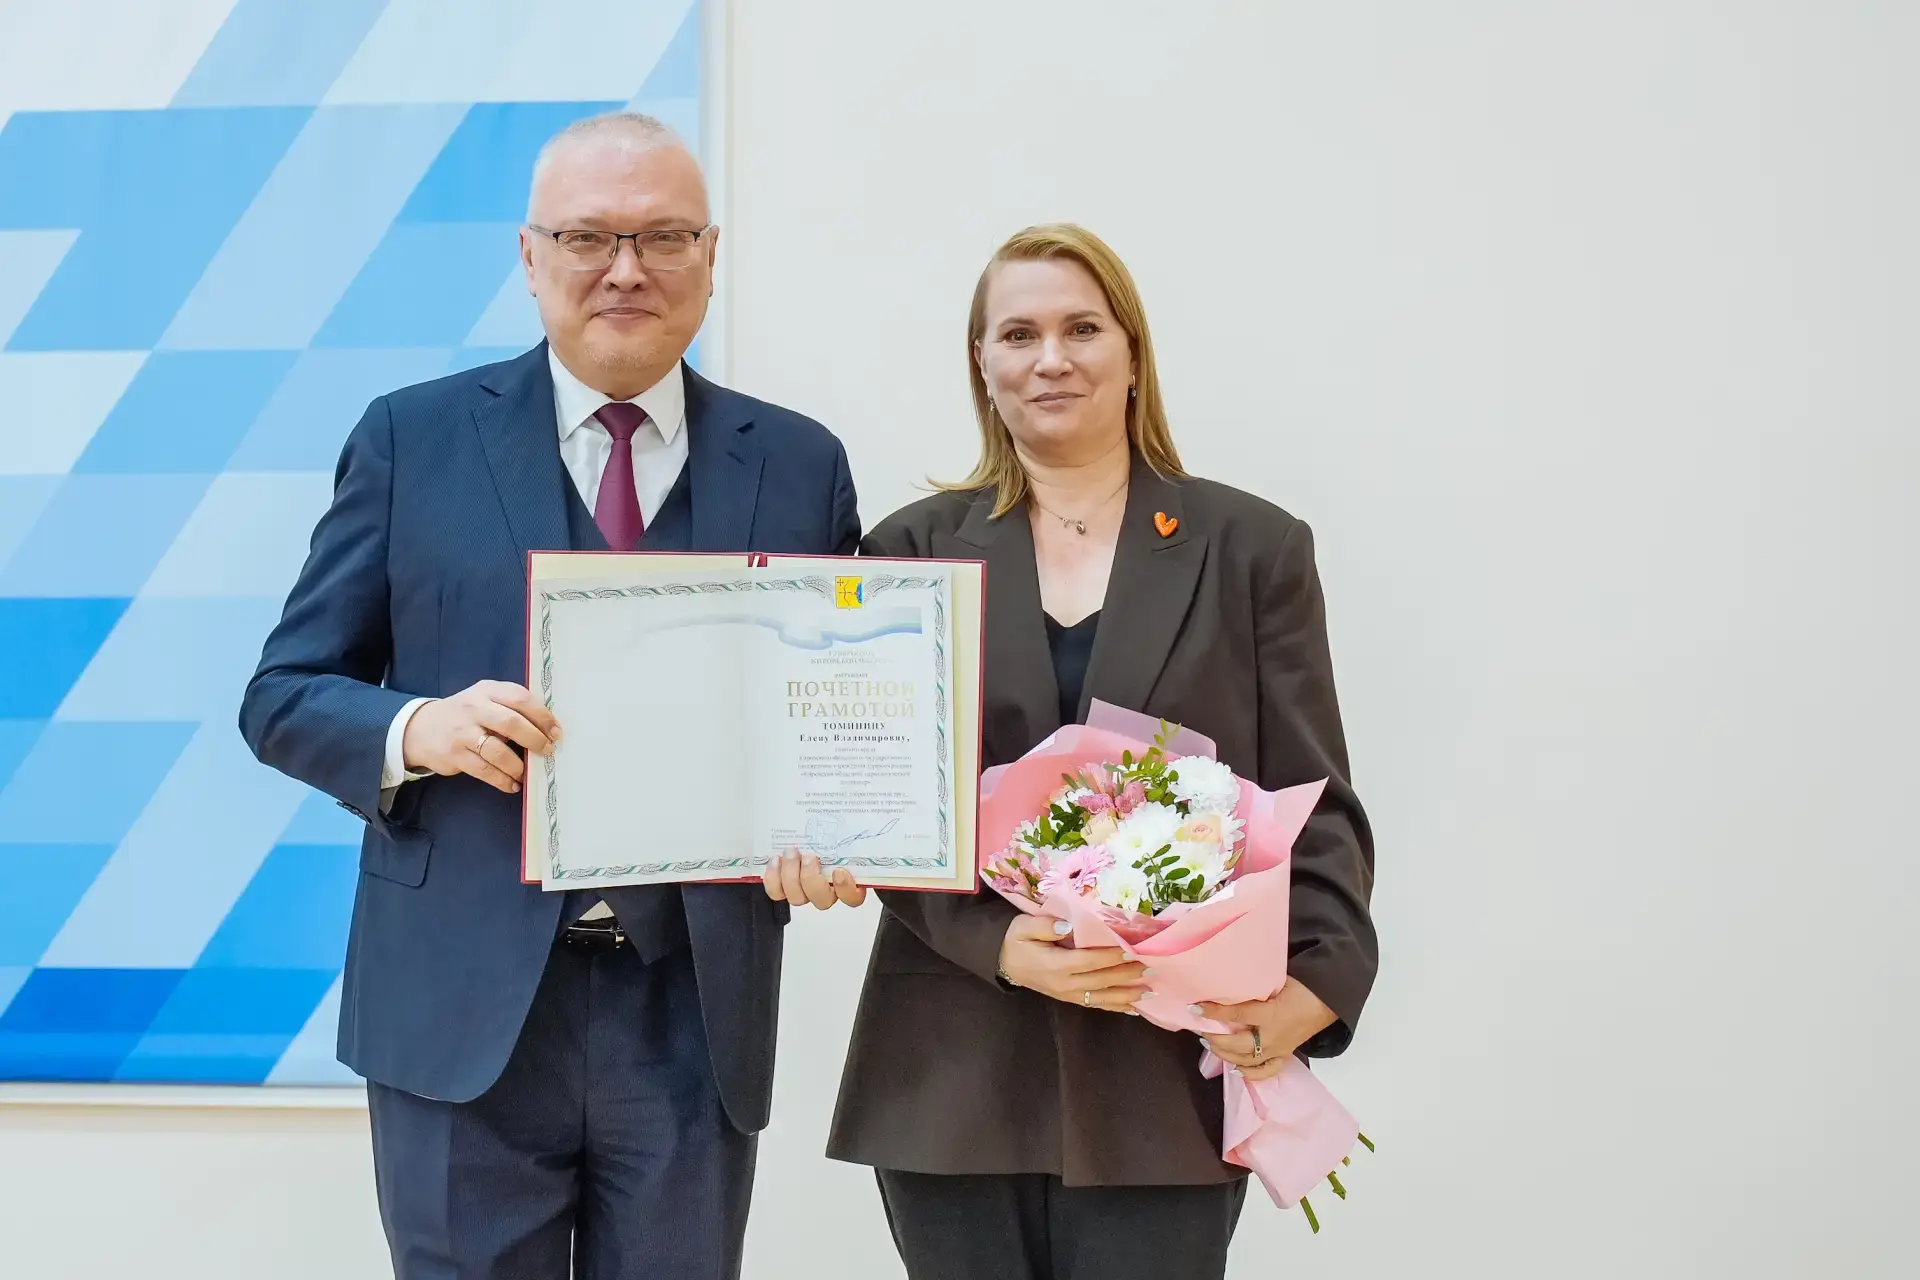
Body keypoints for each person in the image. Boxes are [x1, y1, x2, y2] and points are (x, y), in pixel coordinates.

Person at [240, 112, 862, 1280]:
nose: (626, 267)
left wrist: (839, 830)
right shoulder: (410, 438)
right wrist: (417, 728)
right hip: (458, 1007)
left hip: (692, 1009)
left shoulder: (798, 462)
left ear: (711, 257)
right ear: (530, 258)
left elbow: (834, 714)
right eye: (588, 236)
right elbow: (282, 695)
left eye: (663, 236)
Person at [816, 224, 1378, 1280]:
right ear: (982, 364)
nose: (1051, 358)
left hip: (1165, 1062)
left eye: (1082, 329)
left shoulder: (1252, 549)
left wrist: (1323, 981)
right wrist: (998, 943)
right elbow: (882, 803)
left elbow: (1317, 796)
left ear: (1131, 353)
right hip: (952, 1064)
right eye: (1018, 334)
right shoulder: (906, 551)